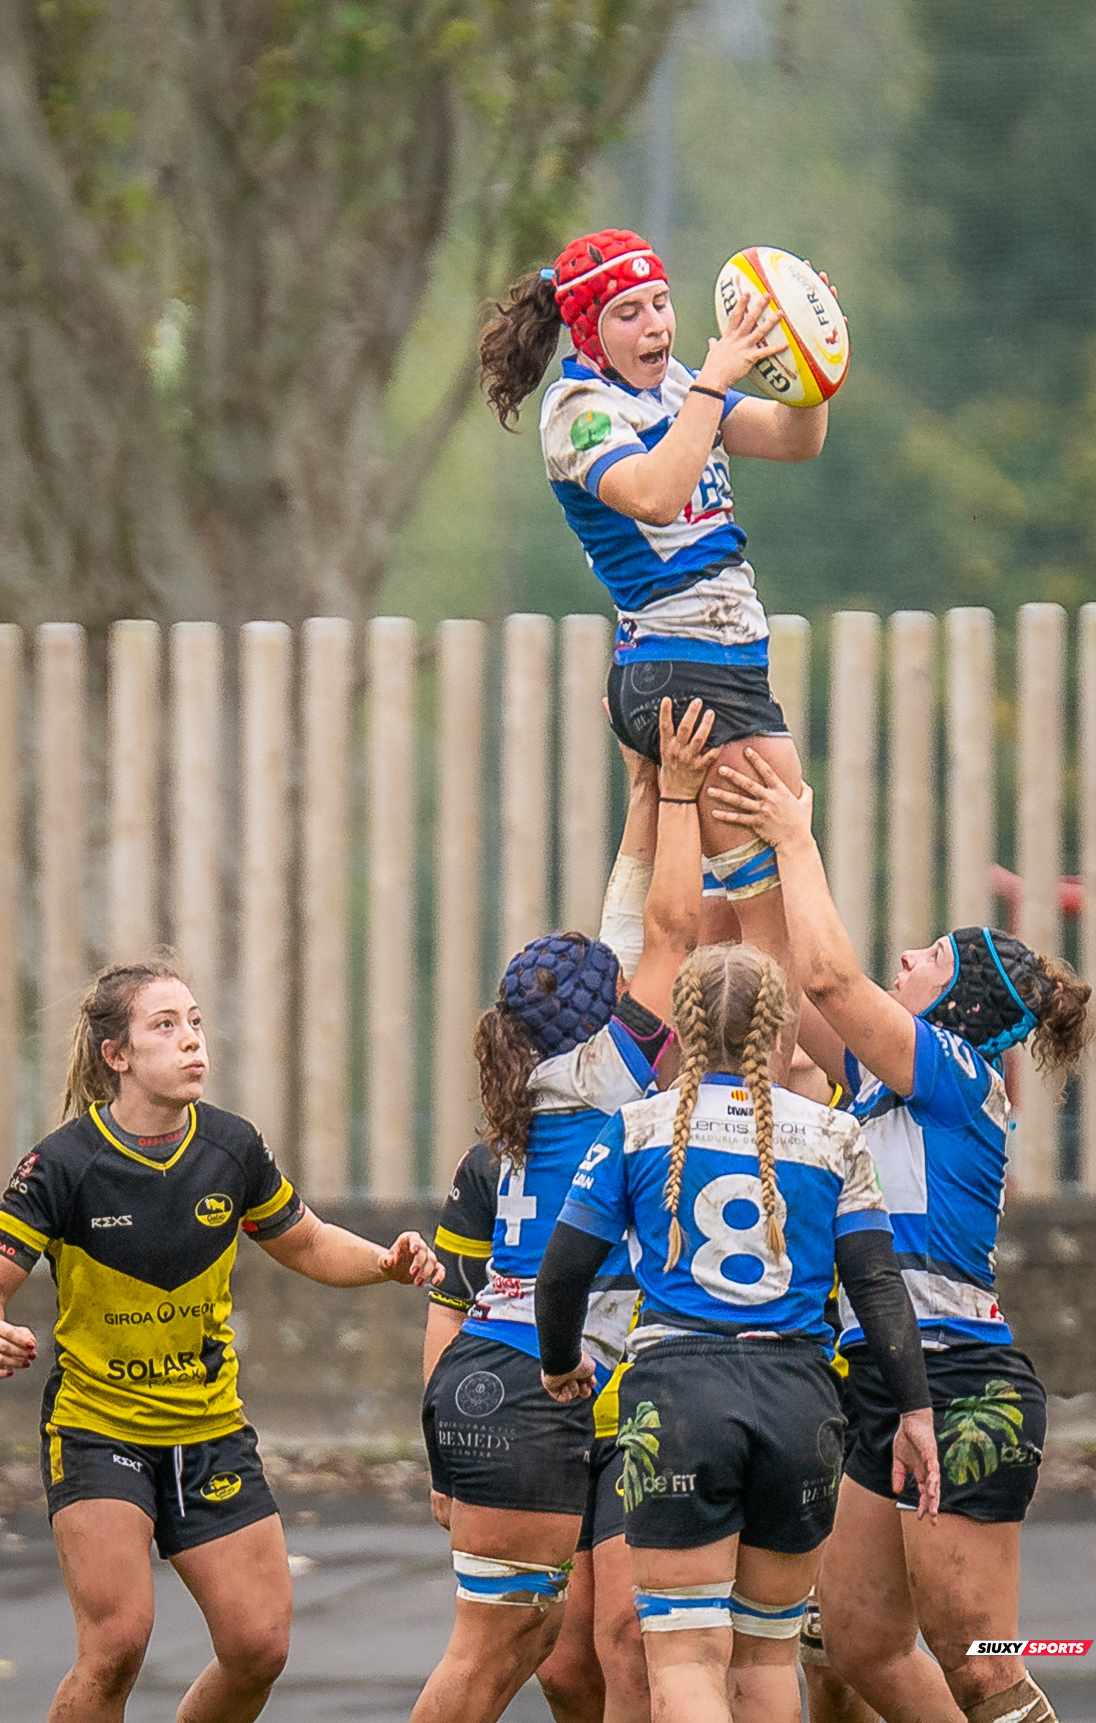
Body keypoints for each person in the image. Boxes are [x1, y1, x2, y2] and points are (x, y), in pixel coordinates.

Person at [712, 752, 1095, 1723]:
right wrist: (733, 833)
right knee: (854, 1644)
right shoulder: (881, 1086)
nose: (901, 961)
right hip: (879, 1381)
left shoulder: (957, 1074)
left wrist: (797, 833)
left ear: (955, 1005)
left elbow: (832, 978)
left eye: (922, 957)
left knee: (977, 1660)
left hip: (960, 1383)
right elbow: (782, 976)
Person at [0, 958, 440, 1723]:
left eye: (196, 1022)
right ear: (117, 1056)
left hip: (208, 1429)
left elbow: (306, 1242)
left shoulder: (231, 1149)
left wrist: (384, 1262)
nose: (192, 1042)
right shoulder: (63, 1165)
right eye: (166, 1025)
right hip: (97, 1429)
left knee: (259, 1647)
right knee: (117, 1644)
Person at [535, 942, 941, 1723]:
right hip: (800, 1405)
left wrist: (561, 1367)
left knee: (686, 1656)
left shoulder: (635, 1128)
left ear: (681, 1031)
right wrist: (915, 1411)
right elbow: (876, 1288)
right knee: (765, 1655)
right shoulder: (832, 1134)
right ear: (783, 1027)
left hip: (678, 1400)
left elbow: (560, 1278)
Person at [414, 697, 719, 1723]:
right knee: (500, 1654)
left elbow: (629, 927)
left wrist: (639, 793)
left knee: (565, 1643)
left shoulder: (547, 1072)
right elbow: (669, 929)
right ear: (606, 1014)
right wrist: (678, 792)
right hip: (537, 1378)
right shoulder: (606, 1076)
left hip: (515, 1378)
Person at [479, 228, 839, 1059]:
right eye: (628, 312)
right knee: (774, 932)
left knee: (712, 931)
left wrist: (809, 360)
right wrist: (712, 383)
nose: (656, 326)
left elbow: (796, 439)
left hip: (719, 666)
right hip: (687, 668)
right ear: (584, 330)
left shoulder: (678, 383)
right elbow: (655, 493)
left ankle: (671, 1095)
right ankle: (769, 1121)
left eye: (661, 303)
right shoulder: (578, 411)